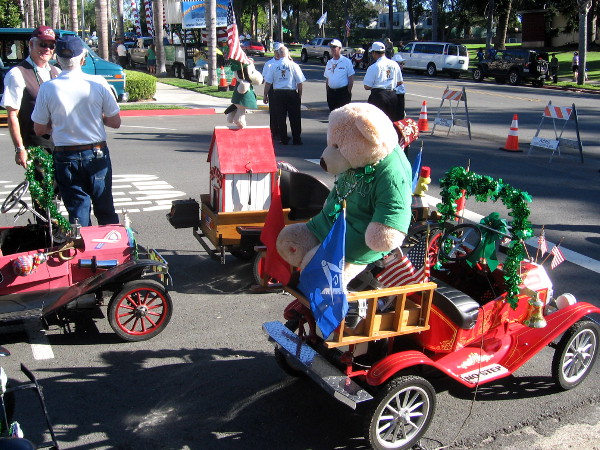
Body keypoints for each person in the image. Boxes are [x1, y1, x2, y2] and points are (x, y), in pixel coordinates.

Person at [31, 35, 121, 227]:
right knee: (105, 209)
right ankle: (113, 253)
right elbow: (115, 122)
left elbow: (38, 129)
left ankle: (84, 255)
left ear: (58, 59)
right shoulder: (98, 83)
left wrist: (58, 124)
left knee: (78, 215)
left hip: (66, 156)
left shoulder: (47, 88)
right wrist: (96, 117)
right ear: (83, 58)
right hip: (96, 153)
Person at [1, 26, 60, 169]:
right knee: (43, 190)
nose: (47, 49)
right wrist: (19, 149)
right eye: (43, 44)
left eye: (51, 45)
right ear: (31, 44)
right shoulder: (17, 73)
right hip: (36, 144)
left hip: (60, 143)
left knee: (62, 190)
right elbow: (12, 114)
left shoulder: (57, 71)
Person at [263, 45, 305, 145]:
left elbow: (268, 82)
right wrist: (299, 95)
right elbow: (300, 82)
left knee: (280, 117)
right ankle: (296, 138)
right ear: (287, 54)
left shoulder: (273, 66)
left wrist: (265, 95)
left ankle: (283, 138)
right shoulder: (294, 65)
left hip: (278, 93)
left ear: (279, 54)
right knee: (295, 116)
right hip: (291, 92)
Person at [363, 41, 402, 122]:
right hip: (392, 95)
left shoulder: (373, 67)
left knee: (376, 122)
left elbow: (367, 86)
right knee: (391, 122)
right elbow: (400, 82)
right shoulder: (394, 64)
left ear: (374, 53)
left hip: (379, 96)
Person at [323, 39, 354, 111]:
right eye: (331, 47)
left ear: (339, 48)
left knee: (343, 115)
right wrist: (328, 91)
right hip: (331, 93)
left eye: (334, 47)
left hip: (343, 93)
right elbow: (327, 79)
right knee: (333, 114)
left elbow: (351, 79)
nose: (332, 49)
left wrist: (348, 92)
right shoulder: (329, 62)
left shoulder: (346, 61)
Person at [262, 42, 281, 140]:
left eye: (280, 51)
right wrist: (265, 94)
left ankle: (282, 131)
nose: (279, 53)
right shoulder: (269, 64)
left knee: (282, 111)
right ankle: (274, 131)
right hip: (273, 88)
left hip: (282, 88)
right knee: (273, 111)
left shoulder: (286, 62)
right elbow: (266, 79)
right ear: (274, 52)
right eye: (277, 51)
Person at [392, 53, 406, 120]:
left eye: (402, 63)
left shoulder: (400, 72)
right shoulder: (392, 72)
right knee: (395, 115)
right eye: (400, 63)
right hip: (395, 94)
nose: (402, 65)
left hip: (400, 94)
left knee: (400, 115)